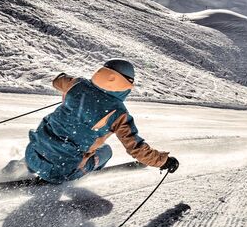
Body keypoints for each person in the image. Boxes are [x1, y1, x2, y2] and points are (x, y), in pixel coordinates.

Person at [23, 59, 179, 183]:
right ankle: (79, 170)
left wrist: (73, 90)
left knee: (58, 141)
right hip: (60, 171)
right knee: (106, 150)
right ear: (126, 84)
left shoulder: (77, 84)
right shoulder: (118, 113)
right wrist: (163, 162)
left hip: (31, 153)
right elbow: (136, 148)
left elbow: (58, 80)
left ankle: (37, 162)